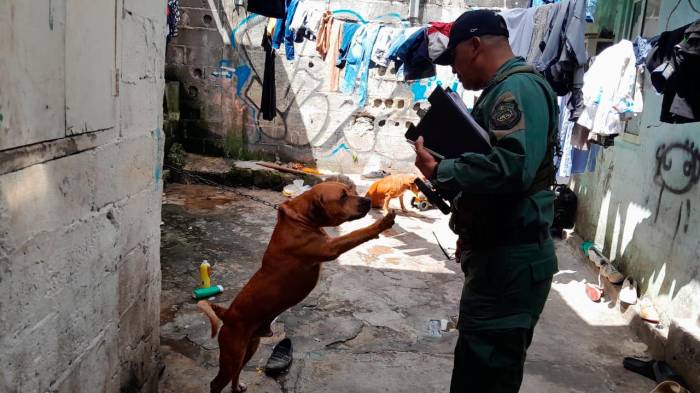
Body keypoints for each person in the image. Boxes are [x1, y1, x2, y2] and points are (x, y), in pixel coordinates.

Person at [413, 10, 560, 393]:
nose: (454, 71)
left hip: (510, 264)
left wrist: (442, 171)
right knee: (479, 365)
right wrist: (470, 223)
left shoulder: (517, 91)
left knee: (486, 373)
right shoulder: (502, 91)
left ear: (475, 46)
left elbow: (512, 168)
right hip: (499, 254)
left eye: (455, 60)